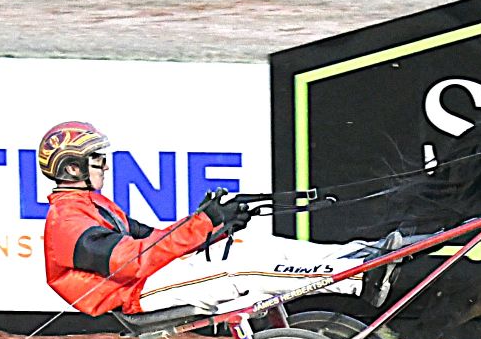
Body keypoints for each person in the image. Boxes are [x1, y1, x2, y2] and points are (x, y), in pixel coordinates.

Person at [38, 120, 401, 317]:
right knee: (236, 268)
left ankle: (360, 256)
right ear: (72, 167)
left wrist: (215, 227)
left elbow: (156, 238)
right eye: (97, 159)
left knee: (249, 244)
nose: (104, 165)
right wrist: (202, 224)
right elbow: (132, 262)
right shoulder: (67, 220)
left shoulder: (95, 204)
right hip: (135, 295)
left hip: (150, 279)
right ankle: (355, 282)